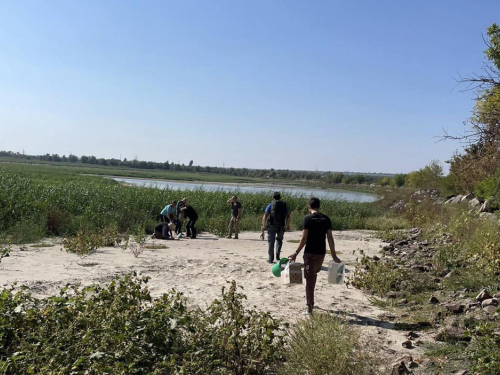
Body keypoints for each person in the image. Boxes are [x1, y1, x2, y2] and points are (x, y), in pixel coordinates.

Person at [288, 197, 342, 315]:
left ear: (309, 207)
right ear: (319, 206)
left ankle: (309, 308)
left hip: (309, 253)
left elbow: (304, 238)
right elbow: (330, 238)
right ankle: (310, 299)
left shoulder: (307, 219)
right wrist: (333, 255)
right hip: (321, 253)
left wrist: (296, 253)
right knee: (313, 275)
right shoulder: (326, 219)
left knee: (309, 279)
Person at [261, 192, 290, 263]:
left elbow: (265, 216)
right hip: (281, 225)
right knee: (279, 240)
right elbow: (288, 216)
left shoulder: (271, 205)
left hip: (272, 225)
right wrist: (287, 225)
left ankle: (271, 259)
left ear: (273, 197)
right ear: (280, 197)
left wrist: (263, 225)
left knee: (271, 242)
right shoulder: (284, 205)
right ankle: (277, 255)